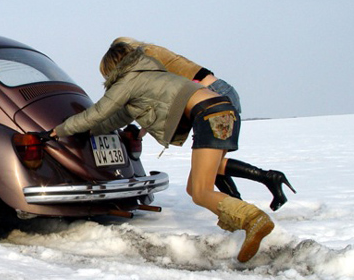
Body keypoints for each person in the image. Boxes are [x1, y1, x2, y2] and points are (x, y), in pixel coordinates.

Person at [48, 45, 274, 262]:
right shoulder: (150, 73)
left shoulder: (129, 80)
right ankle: (238, 224)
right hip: (224, 110)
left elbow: (98, 112)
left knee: (200, 192)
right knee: (193, 186)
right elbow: (117, 118)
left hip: (209, 115)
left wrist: (60, 130)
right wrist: (88, 130)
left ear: (111, 69)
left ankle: (252, 219)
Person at [110, 37, 295, 211]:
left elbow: (157, 96)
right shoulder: (152, 52)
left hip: (211, 97)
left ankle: (264, 181)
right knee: (211, 165)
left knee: (207, 167)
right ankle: (238, 203)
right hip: (218, 93)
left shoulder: (147, 55)